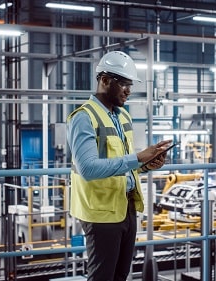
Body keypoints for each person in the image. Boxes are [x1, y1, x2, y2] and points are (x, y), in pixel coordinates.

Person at [66, 50, 172, 281]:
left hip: (126, 208)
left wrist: (146, 165)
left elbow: (120, 165)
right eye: (123, 84)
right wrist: (138, 158)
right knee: (102, 277)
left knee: (121, 276)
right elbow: (89, 169)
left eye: (130, 85)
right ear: (104, 80)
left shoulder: (123, 117)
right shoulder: (83, 117)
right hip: (101, 213)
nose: (128, 91)